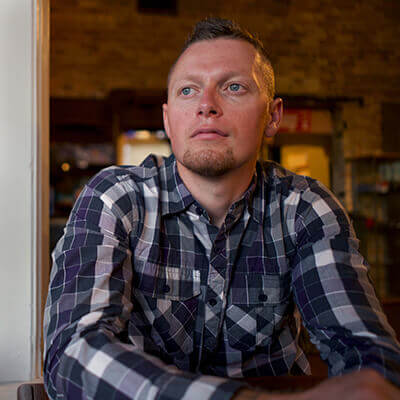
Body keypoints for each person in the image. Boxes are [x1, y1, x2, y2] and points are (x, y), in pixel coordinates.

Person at [43, 17, 400, 400]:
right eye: (188, 91)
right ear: (168, 119)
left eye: (233, 87)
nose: (206, 105)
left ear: (273, 117)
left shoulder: (305, 208)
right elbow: (72, 354)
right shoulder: (115, 198)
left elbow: (365, 352)